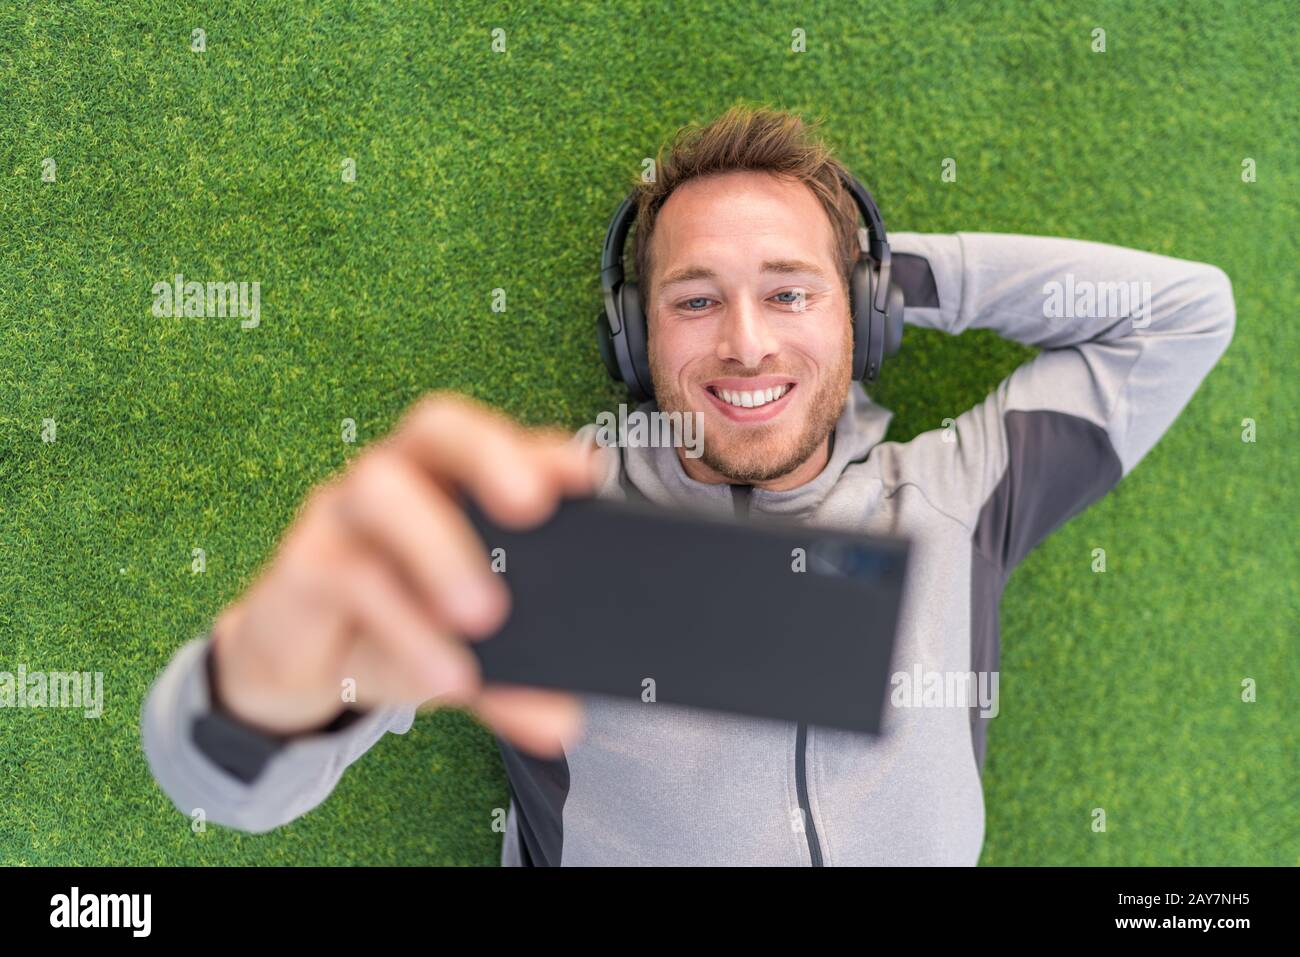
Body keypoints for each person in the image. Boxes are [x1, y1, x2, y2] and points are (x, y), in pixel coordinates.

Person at [141, 105, 1235, 865]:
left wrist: (885, 275)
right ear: (634, 337)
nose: (748, 344)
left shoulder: (963, 492)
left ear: (862, 315)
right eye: (696, 299)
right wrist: (252, 694)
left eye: (791, 294)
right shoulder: (547, 527)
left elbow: (1189, 310)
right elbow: (220, 794)